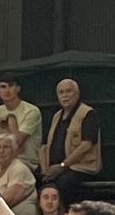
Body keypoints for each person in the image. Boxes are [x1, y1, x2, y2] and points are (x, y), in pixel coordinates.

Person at [40, 78, 101, 208]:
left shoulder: (87, 113)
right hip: (54, 168)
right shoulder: (56, 116)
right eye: (61, 92)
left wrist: (62, 165)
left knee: (63, 184)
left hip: (79, 168)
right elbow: (44, 146)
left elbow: (86, 145)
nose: (65, 95)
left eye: (69, 91)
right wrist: (45, 169)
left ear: (77, 93)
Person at [0, 76, 43, 174]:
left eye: (11, 86)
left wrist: (12, 122)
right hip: (3, 163)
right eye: (3, 87)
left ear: (18, 88)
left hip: (27, 163)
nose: (7, 90)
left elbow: (17, 144)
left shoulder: (31, 111)